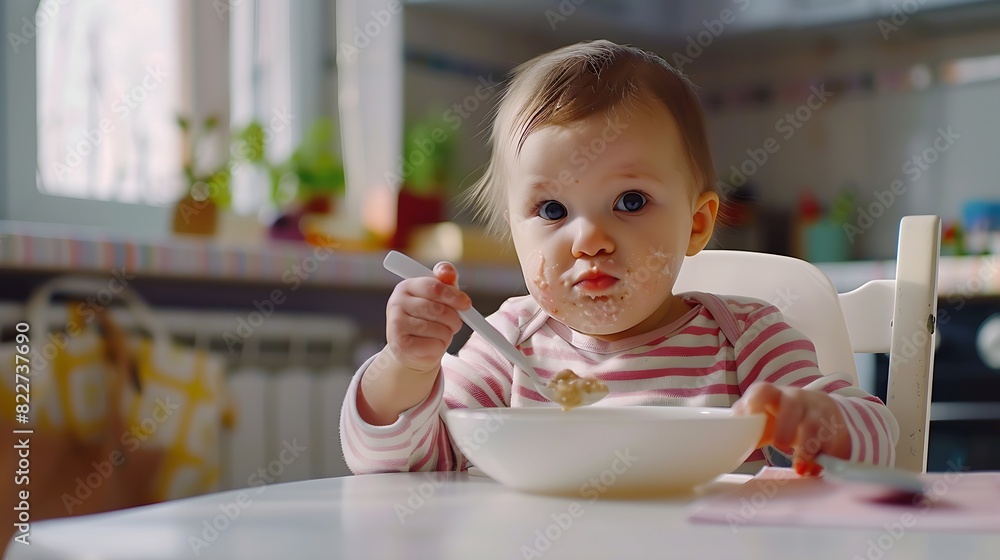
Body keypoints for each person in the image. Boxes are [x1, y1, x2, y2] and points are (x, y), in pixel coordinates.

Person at [340, 40, 897, 477]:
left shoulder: (746, 339)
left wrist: (820, 422)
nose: (589, 240)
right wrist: (406, 368)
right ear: (516, 233)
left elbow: (876, 440)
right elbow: (406, 463)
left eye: (630, 202)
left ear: (697, 224)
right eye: (553, 209)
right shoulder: (509, 344)